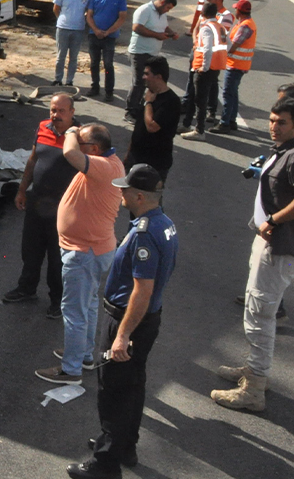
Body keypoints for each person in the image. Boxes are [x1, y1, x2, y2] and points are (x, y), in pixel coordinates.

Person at [67, 164, 178, 479]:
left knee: (113, 391)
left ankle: (105, 464)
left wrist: (122, 335)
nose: (121, 193)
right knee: (133, 385)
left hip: (129, 320)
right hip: (147, 319)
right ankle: (123, 445)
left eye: (125, 190)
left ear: (140, 196)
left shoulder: (144, 234)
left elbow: (142, 290)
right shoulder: (164, 223)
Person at [211, 97, 294, 412]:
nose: (273, 127)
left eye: (281, 122)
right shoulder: (283, 149)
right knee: (256, 311)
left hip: (280, 249)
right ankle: (253, 370)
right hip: (268, 244)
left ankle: (255, 389)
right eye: (272, 120)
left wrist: (274, 220)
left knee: (260, 316)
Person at [35, 123, 125, 385]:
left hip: (84, 252)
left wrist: (71, 131)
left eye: (81, 143)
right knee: (88, 305)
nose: (74, 144)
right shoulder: (108, 163)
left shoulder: (103, 165)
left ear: (94, 149)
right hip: (92, 249)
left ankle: (71, 369)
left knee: (74, 311)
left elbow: (70, 154)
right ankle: (84, 354)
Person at [4, 94, 81, 318]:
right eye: (53, 110)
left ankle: (58, 301)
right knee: (30, 250)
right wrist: (22, 190)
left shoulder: (81, 137)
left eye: (61, 111)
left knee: (58, 259)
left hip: (63, 208)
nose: (56, 115)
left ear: (72, 112)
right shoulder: (42, 128)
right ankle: (26, 288)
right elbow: (33, 159)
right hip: (37, 201)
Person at [124, 57, 181, 181]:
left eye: (147, 74)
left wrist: (148, 103)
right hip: (136, 158)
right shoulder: (149, 94)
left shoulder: (171, 101)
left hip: (154, 163)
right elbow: (139, 127)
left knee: (149, 198)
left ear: (158, 77)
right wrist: (128, 155)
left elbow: (152, 126)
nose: (143, 77)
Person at [124, 0, 179, 122]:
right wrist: (157, 36)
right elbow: (137, 27)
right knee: (139, 82)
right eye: (168, 7)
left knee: (148, 82)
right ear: (162, 2)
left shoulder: (162, 13)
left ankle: (140, 108)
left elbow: (164, 27)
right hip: (140, 52)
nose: (168, 10)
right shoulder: (144, 10)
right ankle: (130, 111)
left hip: (153, 53)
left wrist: (171, 33)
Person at [183, 0, 232, 124]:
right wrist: (195, 41)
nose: (208, 0)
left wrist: (208, 63)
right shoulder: (208, 11)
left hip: (209, 60)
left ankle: (206, 116)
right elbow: (196, 29)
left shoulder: (226, 16)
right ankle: (188, 107)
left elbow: (220, 42)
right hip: (199, 54)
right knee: (193, 83)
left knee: (205, 90)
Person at [180, 3, 227, 141]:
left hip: (203, 69)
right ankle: (187, 124)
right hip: (215, 68)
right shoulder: (220, 27)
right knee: (195, 96)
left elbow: (207, 49)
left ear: (202, 15)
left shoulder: (206, 28)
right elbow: (227, 45)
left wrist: (204, 67)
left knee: (199, 100)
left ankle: (199, 131)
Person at [211, 0, 257, 134]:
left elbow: (233, 47)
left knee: (228, 94)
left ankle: (225, 123)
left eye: (236, 8)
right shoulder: (244, 23)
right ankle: (231, 121)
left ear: (239, 11)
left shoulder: (245, 26)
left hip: (236, 65)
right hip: (237, 64)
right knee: (233, 93)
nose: (234, 10)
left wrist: (218, 49)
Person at [85, 0, 130, 101]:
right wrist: (96, 30)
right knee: (94, 63)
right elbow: (89, 16)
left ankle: (109, 91)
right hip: (94, 35)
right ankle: (95, 87)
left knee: (108, 64)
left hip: (109, 37)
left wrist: (108, 32)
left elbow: (122, 18)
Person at [53, 0, 92, 86]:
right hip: (63, 28)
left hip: (78, 29)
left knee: (74, 57)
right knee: (61, 56)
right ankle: (58, 79)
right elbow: (56, 8)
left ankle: (69, 81)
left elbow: (90, 10)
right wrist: (61, 19)